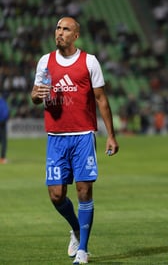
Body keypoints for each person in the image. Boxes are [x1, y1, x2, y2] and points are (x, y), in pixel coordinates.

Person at [31, 17, 119, 264]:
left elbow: (101, 99)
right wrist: (35, 95)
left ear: (76, 36)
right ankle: (76, 227)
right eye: (58, 28)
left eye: (65, 29)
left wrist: (110, 135)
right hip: (56, 136)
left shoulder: (89, 62)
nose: (59, 32)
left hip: (82, 135)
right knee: (56, 195)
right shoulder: (45, 62)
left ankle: (83, 249)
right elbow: (35, 96)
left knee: (84, 190)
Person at [0, 94, 9, 164]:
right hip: (2, 124)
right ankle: (2, 158)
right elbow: (6, 112)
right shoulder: (2, 102)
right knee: (4, 142)